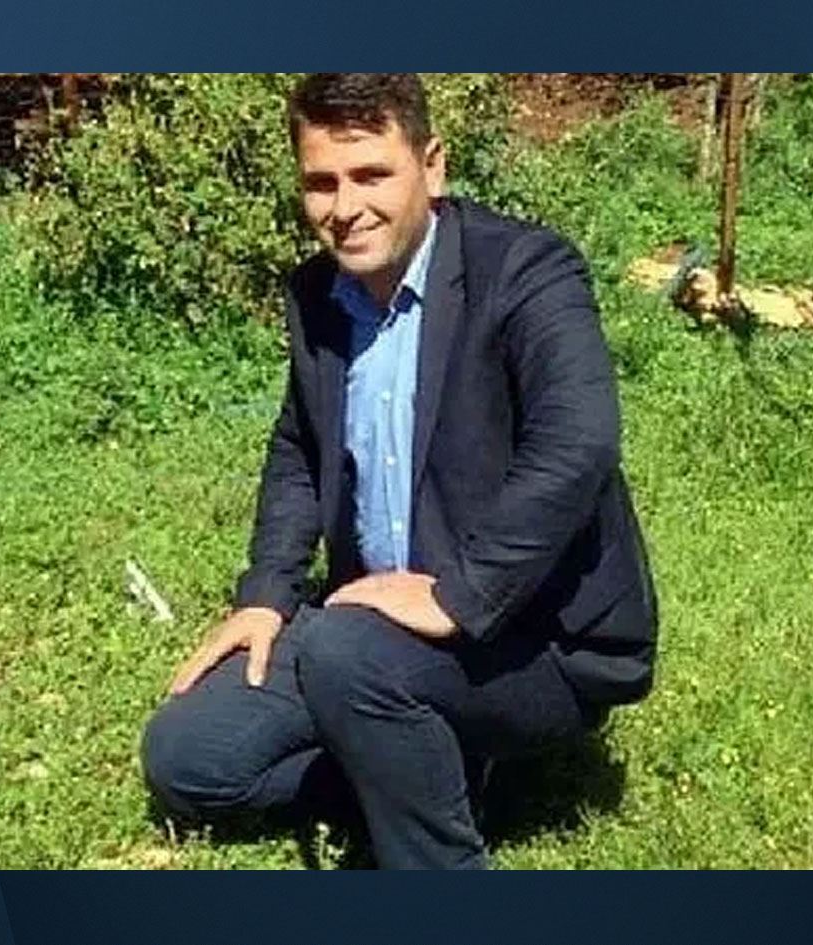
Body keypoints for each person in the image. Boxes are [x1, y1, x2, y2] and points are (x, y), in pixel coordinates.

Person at [141, 73, 658, 869]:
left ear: (432, 165)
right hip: (374, 622)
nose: (345, 207)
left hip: (532, 637)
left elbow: (578, 443)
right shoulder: (318, 295)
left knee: (346, 653)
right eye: (321, 182)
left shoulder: (526, 270)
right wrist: (267, 594)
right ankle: (423, 759)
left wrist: (462, 593)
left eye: (371, 174)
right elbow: (299, 446)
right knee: (190, 757)